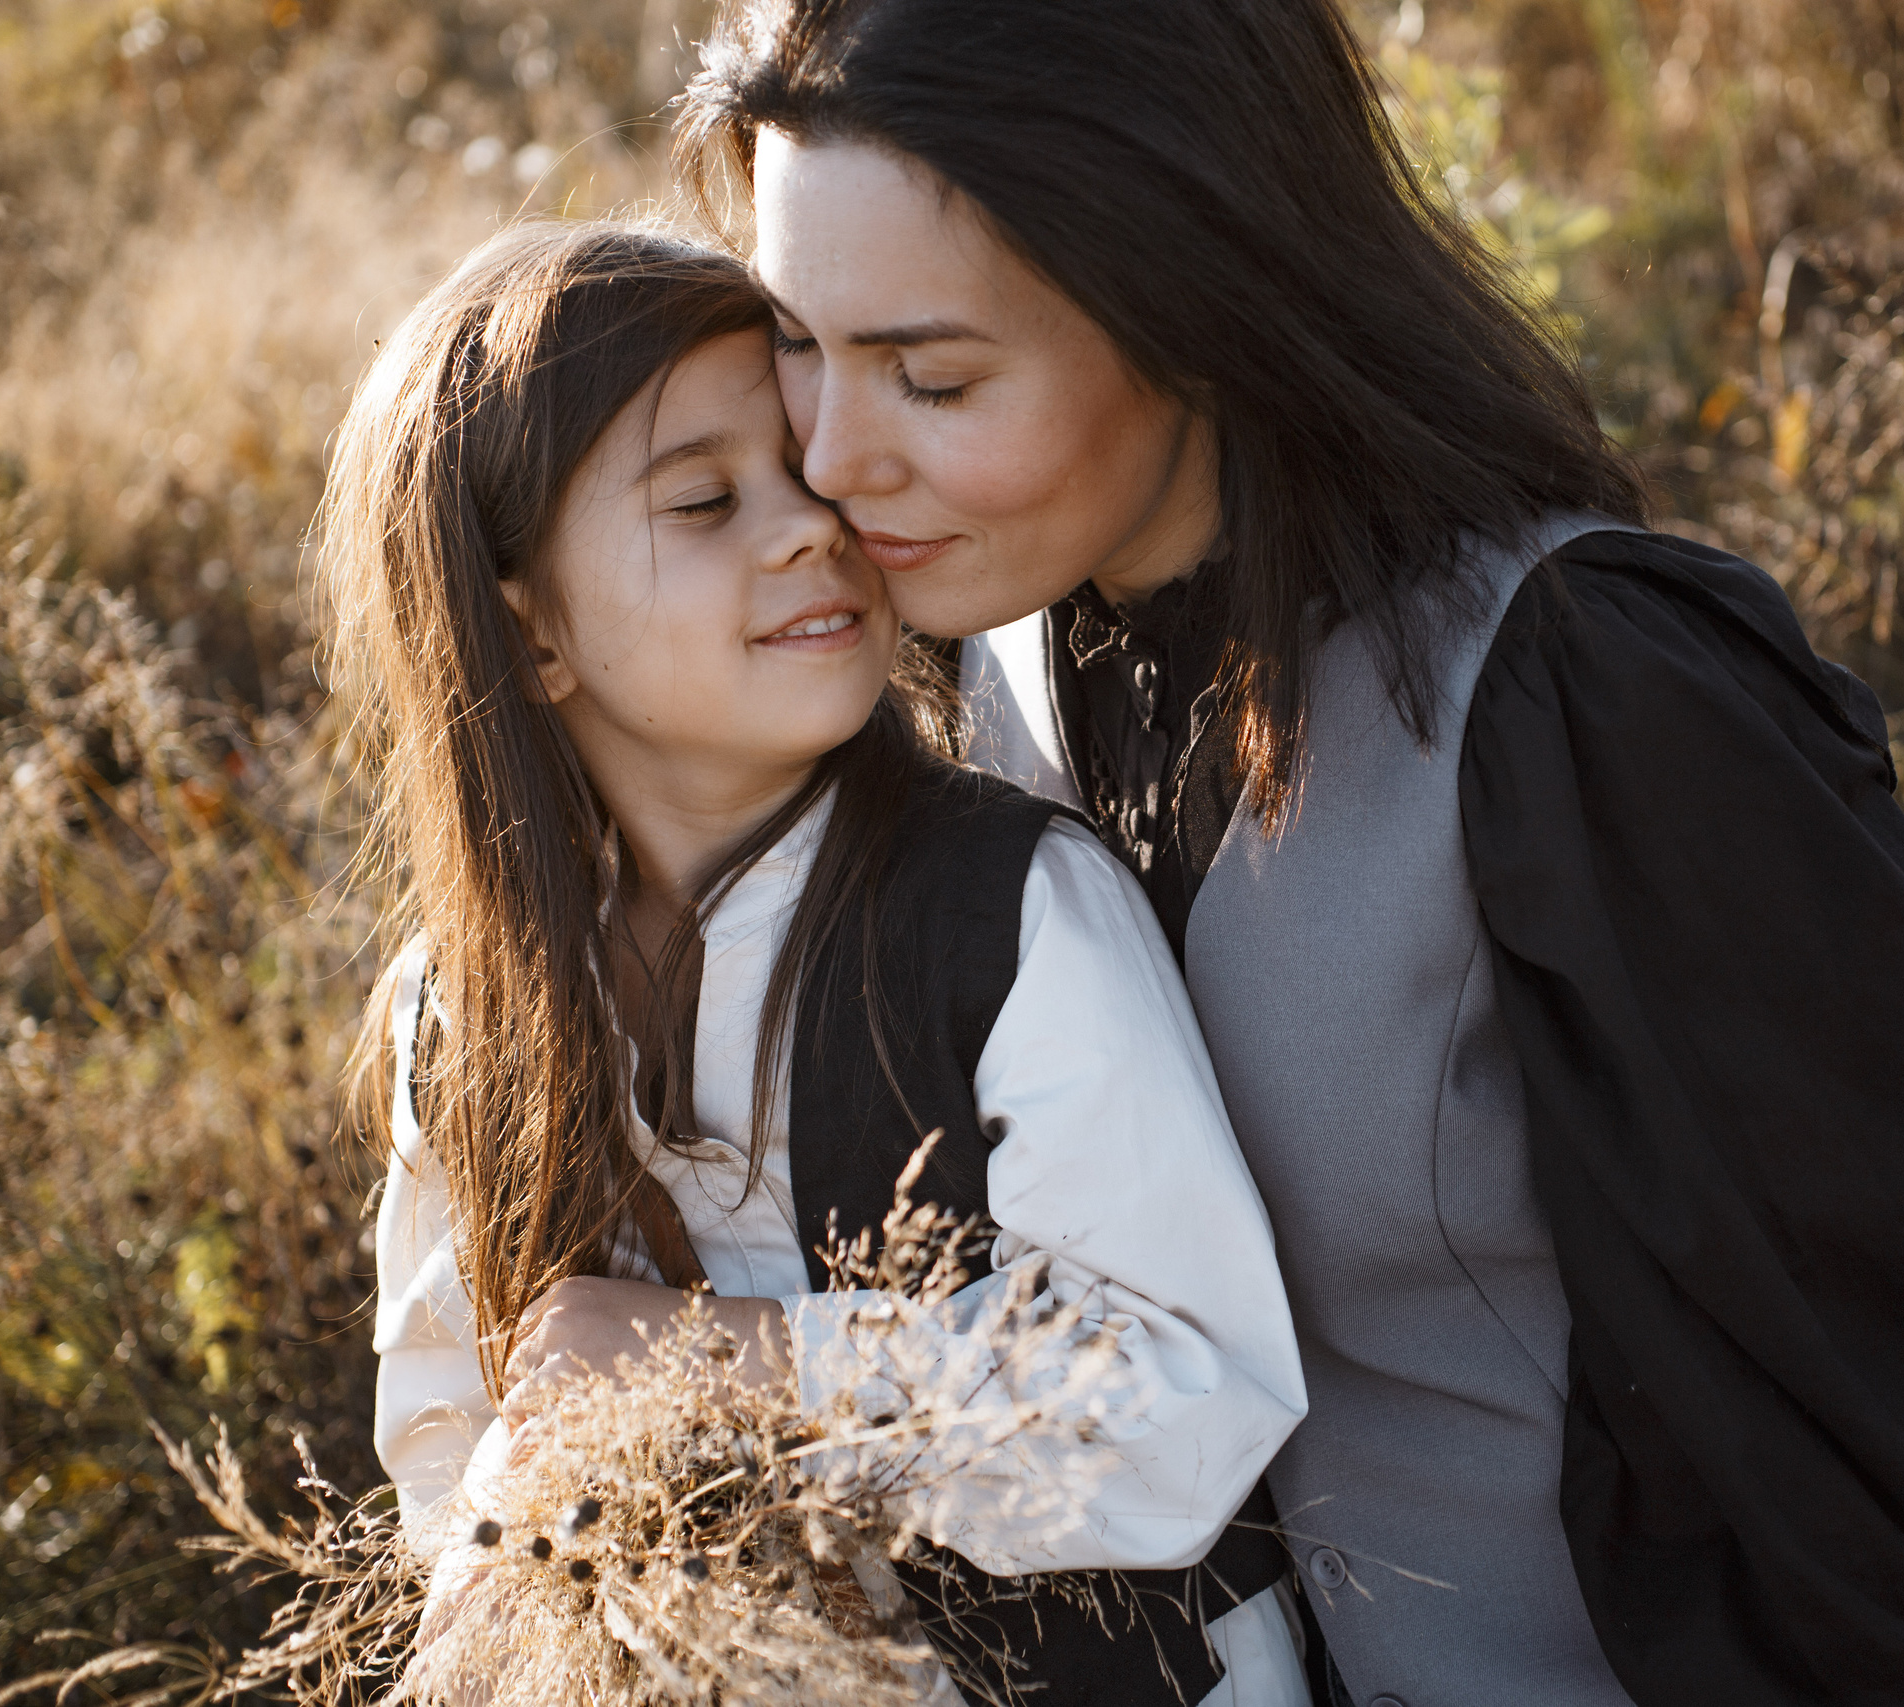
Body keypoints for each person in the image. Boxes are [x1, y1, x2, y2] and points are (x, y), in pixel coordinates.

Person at [676, 4, 1904, 1705]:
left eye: (934, 378)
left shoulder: (1593, 700)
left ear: (1198, 305)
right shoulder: (981, 658)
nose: (831, 458)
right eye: (796, 343)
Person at [326, 219, 1312, 1707]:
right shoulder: (466, 1010)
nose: (811, 528)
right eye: (706, 499)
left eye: (810, 471)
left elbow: (1192, 1389)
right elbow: (452, 1430)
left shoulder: (1005, 911)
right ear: (529, 635)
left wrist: (740, 1360)